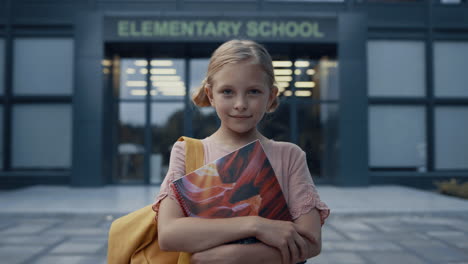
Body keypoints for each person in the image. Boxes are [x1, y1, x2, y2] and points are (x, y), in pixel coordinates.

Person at [153, 39, 330, 264]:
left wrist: (233, 256)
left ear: (271, 96)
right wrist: (256, 225)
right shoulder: (186, 151)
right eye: (227, 91)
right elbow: (168, 234)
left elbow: (311, 241)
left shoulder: (289, 156)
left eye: (253, 92)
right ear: (210, 95)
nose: (240, 104)